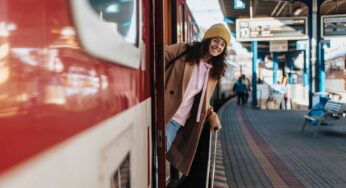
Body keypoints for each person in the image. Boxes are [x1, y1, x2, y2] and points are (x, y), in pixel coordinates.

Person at [164, 23, 230, 176]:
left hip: (178, 121)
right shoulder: (185, 50)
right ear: (207, 39)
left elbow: (203, 102)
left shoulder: (213, 71)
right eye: (216, 41)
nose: (218, 46)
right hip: (164, 111)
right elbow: (160, 56)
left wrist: (212, 115)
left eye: (222, 44)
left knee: (157, 159)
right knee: (153, 159)